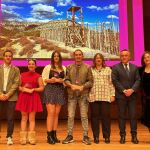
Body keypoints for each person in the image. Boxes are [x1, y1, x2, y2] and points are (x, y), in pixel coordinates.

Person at [62, 49, 93, 145]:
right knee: (70, 116)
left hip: (83, 95)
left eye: (80, 55)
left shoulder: (88, 67)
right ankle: (70, 135)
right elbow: (66, 80)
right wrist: (71, 85)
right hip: (71, 95)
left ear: (82, 56)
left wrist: (82, 87)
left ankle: (85, 136)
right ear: (74, 56)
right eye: (76, 55)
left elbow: (91, 81)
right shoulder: (69, 67)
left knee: (84, 116)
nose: (78, 56)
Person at [111, 49, 140, 144]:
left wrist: (132, 90)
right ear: (120, 57)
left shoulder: (135, 67)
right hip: (121, 96)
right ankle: (122, 136)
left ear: (129, 57)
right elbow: (115, 81)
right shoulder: (115, 67)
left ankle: (134, 136)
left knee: (133, 116)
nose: (124, 57)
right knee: (121, 117)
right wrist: (123, 90)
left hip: (132, 96)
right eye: (122, 55)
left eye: (126, 55)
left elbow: (138, 80)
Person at [16, 59, 44, 145]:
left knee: (32, 119)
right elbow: (18, 86)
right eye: (29, 64)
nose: (31, 65)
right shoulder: (22, 75)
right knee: (24, 118)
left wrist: (33, 89)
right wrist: (23, 89)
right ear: (27, 66)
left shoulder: (38, 76)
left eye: (33, 64)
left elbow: (42, 88)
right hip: (24, 97)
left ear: (35, 66)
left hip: (33, 97)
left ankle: (31, 138)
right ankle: (23, 138)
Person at [89, 53, 115, 144]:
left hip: (105, 96)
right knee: (94, 118)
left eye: (100, 58)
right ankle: (96, 136)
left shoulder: (108, 69)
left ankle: (107, 136)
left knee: (106, 117)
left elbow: (111, 83)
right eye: (97, 58)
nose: (98, 59)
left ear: (102, 60)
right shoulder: (90, 70)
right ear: (94, 60)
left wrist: (112, 95)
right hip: (93, 96)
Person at [42, 50, 66, 144]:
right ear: (52, 58)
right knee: (51, 113)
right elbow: (43, 79)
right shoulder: (48, 67)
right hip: (50, 90)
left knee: (56, 114)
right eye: (54, 56)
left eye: (58, 56)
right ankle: (49, 136)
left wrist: (61, 81)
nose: (56, 57)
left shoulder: (64, 67)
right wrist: (51, 80)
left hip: (59, 90)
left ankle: (54, 135)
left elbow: (65, 80)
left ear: (60, 58)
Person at [0, 50, 20, 145]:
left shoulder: (16, 69)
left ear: (12, 58)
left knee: (10, 118)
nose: (8, 57)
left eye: (10, 56)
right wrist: (0, 94)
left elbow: (16, 83)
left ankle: (9, 137)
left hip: (11, 96)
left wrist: (8, 94)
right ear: (3, 57)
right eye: (6, 56)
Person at [139, 51, 150, 131]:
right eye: (145, 57)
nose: (146, 59)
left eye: (148, 57)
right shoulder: (141, 70)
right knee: (148, 118)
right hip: (146, 98)